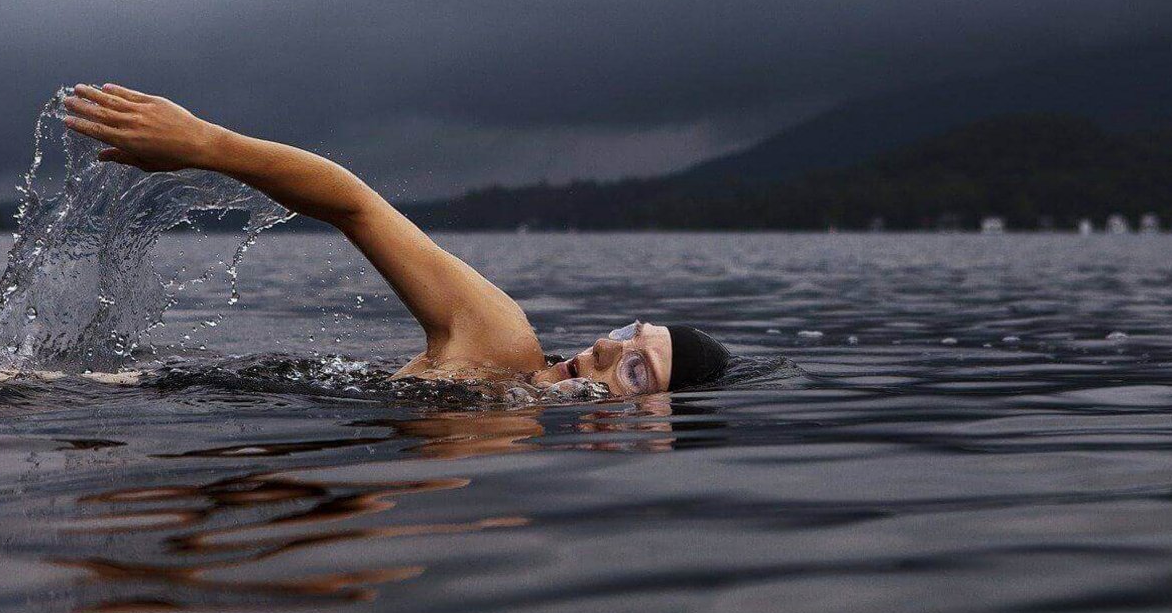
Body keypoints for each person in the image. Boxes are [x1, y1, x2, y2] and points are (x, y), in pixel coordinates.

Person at [62, 83, 731, 397]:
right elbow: (357, 206)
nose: (607, 346)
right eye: (628, 333)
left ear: (654, 431)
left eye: (636, 369)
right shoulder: (502, 345)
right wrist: (206, 145)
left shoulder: (507, 461)